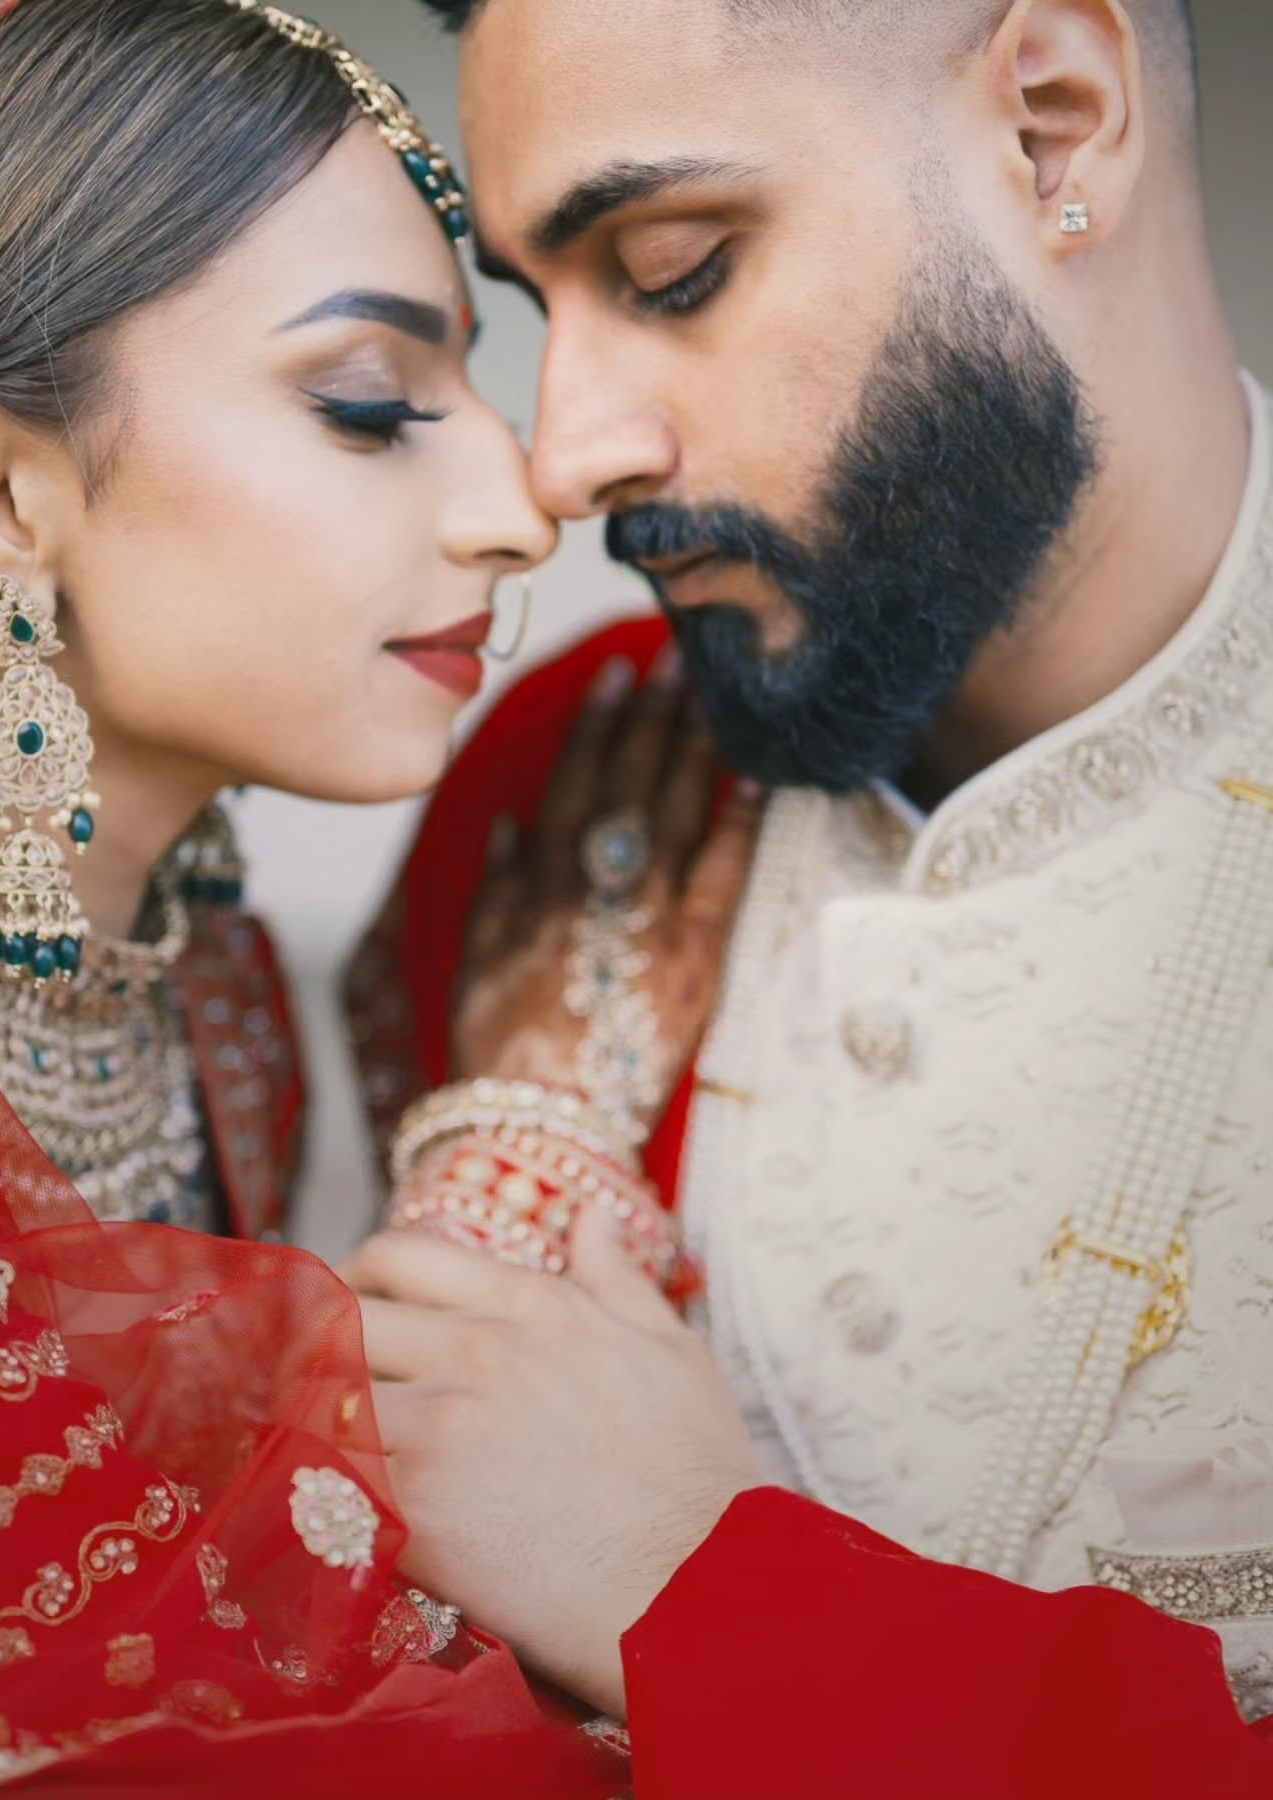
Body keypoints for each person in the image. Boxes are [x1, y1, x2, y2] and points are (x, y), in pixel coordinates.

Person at [338, 0, 1273, 1792]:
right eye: (544, 310)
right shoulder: (561, 786)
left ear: (1056, 127)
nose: (563, 458)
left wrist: (690, 1585)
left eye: (673, 270)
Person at [0, 1, 757, 1791]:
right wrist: (527, 1152)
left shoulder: (222, 1006)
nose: (520, 505)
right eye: (368, 407)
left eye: (469, 393)